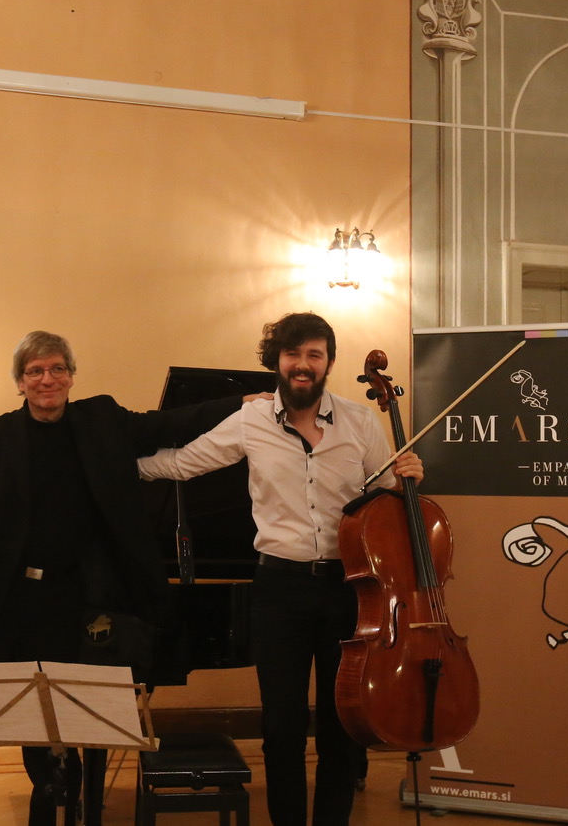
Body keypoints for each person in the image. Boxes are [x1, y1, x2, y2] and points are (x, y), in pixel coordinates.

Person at [0, 330, 243, 826]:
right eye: (35, 371)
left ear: (71, 376)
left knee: (55, 729)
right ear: (20, 382)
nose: (46, 379)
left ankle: (51, 812)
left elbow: (171, 423)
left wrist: (241, 403)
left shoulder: (102, 421)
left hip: (69, 604)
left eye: (56, 369)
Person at [137, 312, 423, 826]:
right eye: (293, 354)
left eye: (314, 354)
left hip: (349, 590)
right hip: (278, 589)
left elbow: (385, 499)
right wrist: (109, 464)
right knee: (281, 727)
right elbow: (181, 463)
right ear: (277, 362)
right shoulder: (251, 420)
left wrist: (409, 479)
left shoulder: (361, 422)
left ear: (328, 363)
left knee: (343, 723)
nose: (303, 364)